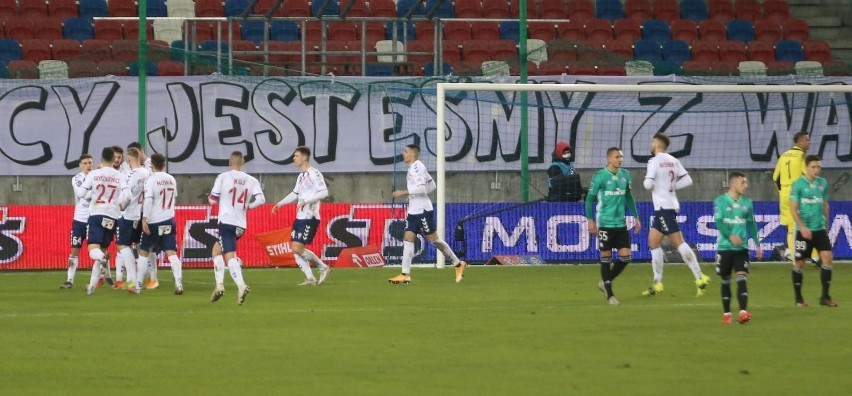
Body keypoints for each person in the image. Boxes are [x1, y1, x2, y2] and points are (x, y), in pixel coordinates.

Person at [642, 133, 710, 297]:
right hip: (668, 205)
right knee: (653, 242)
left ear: (657, 144)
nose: (651, 145)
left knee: (678, 242)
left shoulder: (654, 161)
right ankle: (657, 283)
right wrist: (670, 187)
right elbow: (687, 180)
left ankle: (700, 277)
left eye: (652, 142)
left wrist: (656, 186)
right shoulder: (673, 160)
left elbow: (648, 184)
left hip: (664, 207)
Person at [390, 144, 467, 284]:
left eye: (406, 151)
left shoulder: (416, 167)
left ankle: (458, 263)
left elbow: (422, 189)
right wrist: (412, 196)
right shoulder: (416, 167)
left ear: (412, 154)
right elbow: (432, 186)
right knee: (408, 238)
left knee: (434, 240)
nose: (403, 154)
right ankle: (405, 274)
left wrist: (404, 192)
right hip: (414, 210)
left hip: (422, 210)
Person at [208, 151, 265, 305]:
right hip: (241, 224)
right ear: (243, 163)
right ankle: (219, 285)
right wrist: (248, 207)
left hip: (227, 221)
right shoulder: (251, 180)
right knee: (216, 250)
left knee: (229, 255)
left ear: (229, 162)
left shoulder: (223, 177)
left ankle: (241, 285)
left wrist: (212, 198)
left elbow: (213, 200)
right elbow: (261, 199)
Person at [585, 147, 640, 305]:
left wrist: (636, 216)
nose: (620, 159)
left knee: (626, 257)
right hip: (605, 223)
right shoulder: (600, 177)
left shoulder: (625, 175)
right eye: (617, 157)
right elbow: (589, 199)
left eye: (621, 157)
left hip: (620, 223)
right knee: (606, 258)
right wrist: (590, 220)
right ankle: (610, 295)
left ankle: (605, 282)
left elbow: (629, 196)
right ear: (608, 159)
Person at [272, 146, 332, 286]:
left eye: (296, 156)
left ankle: (323, 267)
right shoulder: (301, 176)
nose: (294, 158)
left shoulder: (314, 173)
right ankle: (310, 278)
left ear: (304, 158)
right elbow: (294, 194)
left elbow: (324, 193)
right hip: (300, 216)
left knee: (297, 249)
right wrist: (280, 204)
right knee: (295, 249)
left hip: (310, 216)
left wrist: (306, 200)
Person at [129, 154, 184, 295]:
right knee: (171, 252)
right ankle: (178, 284)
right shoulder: (171, 179)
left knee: (143, 252)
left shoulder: (151, 180)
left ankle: (138, 287)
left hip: (154, 221)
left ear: (152, 165)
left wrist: (144, 218)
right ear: (164, 164)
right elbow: (174, 198)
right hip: (169, 219)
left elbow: (148, 200)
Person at [713, 172, 763, 325]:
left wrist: (757, 243)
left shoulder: (747, 203)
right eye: (743, 183)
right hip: (725, 247)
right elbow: (719, 222)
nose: (746, 186)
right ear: (733, 184)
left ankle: (743, 312)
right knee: (726, 279)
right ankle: (727, 313)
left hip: (741, 249)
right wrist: (730, 236)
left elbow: (751, 224)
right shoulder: (720, 201)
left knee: (742, 277)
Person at [790, 155, 837, 307]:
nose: (816, 170)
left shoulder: (822, 183)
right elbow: (793, 208)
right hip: (803, 231)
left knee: (827, 258)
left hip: (819, 229)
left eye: (818, 167)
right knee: (799, 263)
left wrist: (827, 222)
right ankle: (798, 299)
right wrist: (802, 227)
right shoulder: (798, 185)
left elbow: (825, 204)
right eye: (813, 167)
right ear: (806, 167)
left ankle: (825, 297)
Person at [81, 147, 124, 295]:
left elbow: (81, 193)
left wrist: (91, 194)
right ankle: (92, 286)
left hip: (97, 214)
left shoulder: (94, 173)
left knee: (94, 250)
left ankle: (103, 258)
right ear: (114, 159)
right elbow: (128, 195)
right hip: (112, 216)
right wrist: (121, 205)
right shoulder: (120, 175)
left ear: (101, 159)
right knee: (102, 251)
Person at [773, 131, 819, 264]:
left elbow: (775, 177)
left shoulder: (783, 156)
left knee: (791, 227)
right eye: (807, 140)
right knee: (809, 223)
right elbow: (808, 176)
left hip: (784, 195)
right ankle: (815, 256)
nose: (809, 143)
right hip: (798, 195)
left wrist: (783, 191)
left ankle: (793, 255)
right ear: (800, 142)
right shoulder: (802, 157)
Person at [114, 147, 151, 289]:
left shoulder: (131, 175)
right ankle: (132, 279)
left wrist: (121, 206)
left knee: (122, 245)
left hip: (128, 214)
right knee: (132, 246)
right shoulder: (147, 173)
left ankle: (132, 279)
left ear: (129, 159)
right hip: (139, 214)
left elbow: (126, 195)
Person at [60, 154, 94, 289]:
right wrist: (93, 192)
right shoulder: (76, 179)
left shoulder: (96, 177)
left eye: (90, 163)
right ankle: (69, 279)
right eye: (85, 163)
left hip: (93, 218)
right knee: (74, 249)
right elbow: (83, 196)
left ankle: (102, 278)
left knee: (97, 249)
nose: (88, 165)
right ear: (80, 165)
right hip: (79, 219)